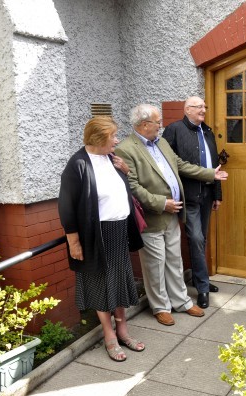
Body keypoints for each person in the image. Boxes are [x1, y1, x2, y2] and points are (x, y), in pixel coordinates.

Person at [115, 104, 228, 326]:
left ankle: (182, 301)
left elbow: (181, 165)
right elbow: (133, 186)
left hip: (172, 213)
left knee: (175, 261)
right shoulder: (127, 149)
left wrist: (209, 174)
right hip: (153, 217)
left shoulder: (162, 142)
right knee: (155, 265)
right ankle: (160, 306)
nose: (161, 125)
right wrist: (161, 203)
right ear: (144, 124)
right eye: (157, 122)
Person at [58, 116, 145, 362]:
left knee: (118, 282)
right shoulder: (78, 165)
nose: (117, 140)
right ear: (98, 139)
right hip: (96, 235)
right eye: (113, 137)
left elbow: (119, 192)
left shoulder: (111, 158)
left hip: (119, 232)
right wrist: (73, 242)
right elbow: (66, 207)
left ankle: (123, 331)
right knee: (100, 286)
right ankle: (110, 337)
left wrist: (125, 172)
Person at [162, 96, 222, 309]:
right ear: (187, 109)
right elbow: (166, 164)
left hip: (206, 194)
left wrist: (217, 194)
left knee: (202, 238)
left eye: (205, 106)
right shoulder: (174, 130)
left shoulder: (207, 131)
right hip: (188, 195)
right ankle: (203, 288)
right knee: (195, 238)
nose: (204, 110)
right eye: (199, 107)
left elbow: (214, 166)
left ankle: (199, 279)